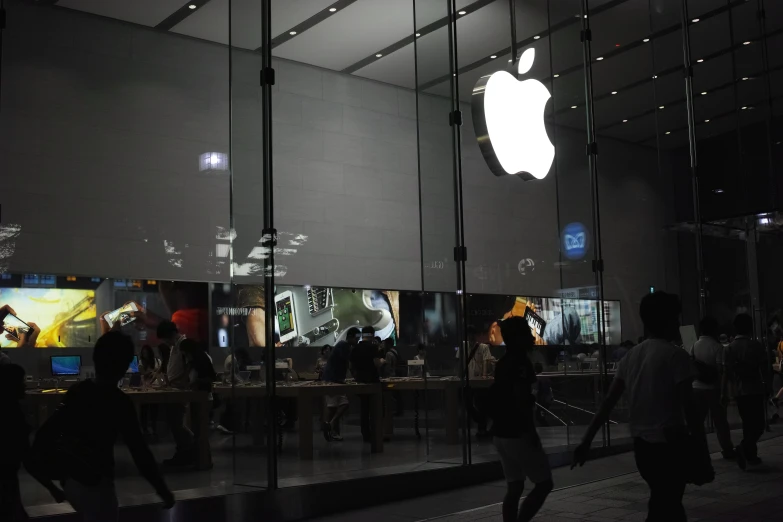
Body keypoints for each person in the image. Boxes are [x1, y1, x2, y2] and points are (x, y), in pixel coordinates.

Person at [572, 292, 702, 522]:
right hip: (671, 443)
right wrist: (700, 448)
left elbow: (607, 404)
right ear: (668, 320)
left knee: (663, 499)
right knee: (669, 501)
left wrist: (586, 442)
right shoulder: (676, 356)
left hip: (643, 447)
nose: (678, 324)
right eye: (675, 318)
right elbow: (689, 407)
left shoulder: (630, 357)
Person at [50, 332, 174, 521]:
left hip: (71, 478)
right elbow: (139, 450)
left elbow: (55, 432)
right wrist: (162, 489)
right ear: (124, 364)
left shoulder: (77, 391)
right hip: (97, 481)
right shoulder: (118, 401)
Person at [488, 317, 553, 522]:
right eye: (526, 331)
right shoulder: (521, 362)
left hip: (501, 432)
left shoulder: (503, 363)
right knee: (544, 483)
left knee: (514, 486)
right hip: (518, 433)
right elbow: (521, 400)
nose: (531, 335)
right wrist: (531, 432)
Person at [1, 364, 64, 521]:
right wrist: (52, 488)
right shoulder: (13, 418)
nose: (25, 385)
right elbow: (28, 460)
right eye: (20, 382)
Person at [726, 313, 769, 469]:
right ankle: (745, 449)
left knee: (747, 423)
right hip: (755, 389)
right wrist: (767, 386)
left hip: (740, 391)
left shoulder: (730, 348)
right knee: (758, 425)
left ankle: (750, 454)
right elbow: (764, 368)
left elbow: (729, 371)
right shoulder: (756, 345)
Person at [690, 316, 734, 459]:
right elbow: (722, 372)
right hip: (714, 389)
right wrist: (724, 393)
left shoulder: (694, 345)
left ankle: (696, 451)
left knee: (697, 422)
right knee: (720, 422)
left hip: (697, 388)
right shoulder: (717, 347)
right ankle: (727, 449)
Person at [158, 320, 195, 466]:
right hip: (174, 388)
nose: (165, 342)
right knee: (174, 422)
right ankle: (182, 451)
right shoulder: (175, 346)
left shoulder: (183, 344)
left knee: (178, 423)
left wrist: (180, 380)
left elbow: (188, 365)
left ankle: (187, 451)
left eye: (165, 339)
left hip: (180, 390)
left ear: (171, 334)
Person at [322, 328, 360, 442]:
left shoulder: (343, 345)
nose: (357, 340)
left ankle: (331, 429)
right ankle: (330, 425)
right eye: (356, 338)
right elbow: (349, 363)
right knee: (339, 405)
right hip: (333, 380)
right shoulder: (344, 346)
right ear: (350, 337)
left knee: (335, 406)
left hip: (335, 379)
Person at [351, 326, 382, 443]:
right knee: (375, 409)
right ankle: (376, 433)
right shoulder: (373, 347)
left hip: (360, 382)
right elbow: (376, 363)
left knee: (364, 410)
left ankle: (365, 434)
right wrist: (382, 362)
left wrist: (357, 377)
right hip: (373, 382)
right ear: (372, 335)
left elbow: (351, 366)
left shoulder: (355, 348)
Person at [138, 345, 161, 436]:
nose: (145, 355)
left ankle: (154, 427)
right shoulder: (141, 362)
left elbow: (160, 372)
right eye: (143, 353)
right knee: (144, 408)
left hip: (155, 386)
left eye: (146, 353)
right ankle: (144, 428)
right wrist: (152, 372)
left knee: (154, 408)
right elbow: (142, 373)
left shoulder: (157, 361)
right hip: (145, 387)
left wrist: (152, 372)